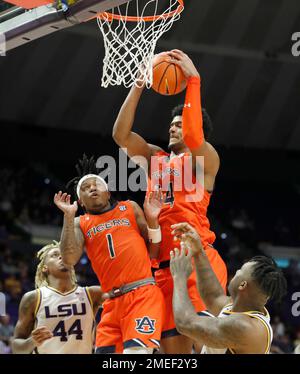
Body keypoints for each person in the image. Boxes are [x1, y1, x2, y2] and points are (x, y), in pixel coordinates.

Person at [112, 49, 227, 353]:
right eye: (171, 124)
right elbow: (121, 135)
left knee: (205, 347)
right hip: (162, 269)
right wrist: (139, 83)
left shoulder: (205, 161)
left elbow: (192, 134)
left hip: (198, 261)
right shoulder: (155, 159)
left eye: (178, 123)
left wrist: (193, 81)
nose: (172, 127)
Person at [54, 155, 165, 354]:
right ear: (81, 201)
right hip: (112, 303)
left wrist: (153, 221)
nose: (92, 188)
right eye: (86, 188)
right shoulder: (81, 222)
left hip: (142, 294)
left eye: (96, 184)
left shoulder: (129, 208)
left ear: (108, 191)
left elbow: (153, 251)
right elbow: (69, 259)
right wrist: (68, 217)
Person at [170, 222, 287, 354]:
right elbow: (213, 297)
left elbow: (185, 323)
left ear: (243, 285)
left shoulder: (245, 327)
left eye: (240, 271)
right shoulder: (239, 306)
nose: (236, 271)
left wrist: (178, 276)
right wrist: (198, 252)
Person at [12, 242, 105, 354]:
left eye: (64, 254)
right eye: (55, 255)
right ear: (44, 268)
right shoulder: (34, 298)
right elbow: (16, 347)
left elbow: (124, 294)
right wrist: (32, 342)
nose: (62, 256)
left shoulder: (92, 294)